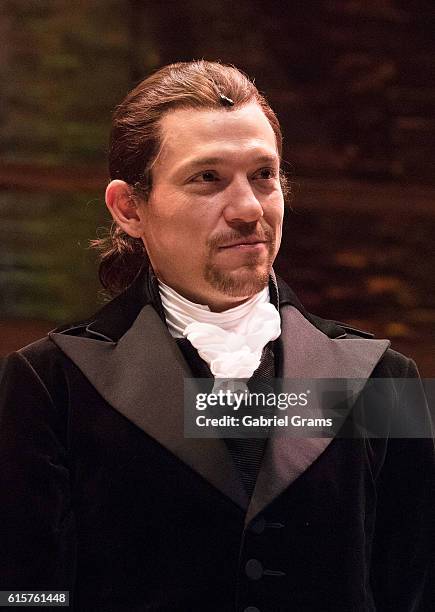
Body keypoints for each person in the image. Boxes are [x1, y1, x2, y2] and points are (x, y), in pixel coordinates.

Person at [0, 60, 433, 612]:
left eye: (263, 175)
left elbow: (412, 590)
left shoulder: (383, 377)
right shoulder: (52, 384)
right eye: (207, 178)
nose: (249, 209)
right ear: (129, 207)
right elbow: (25, 593)